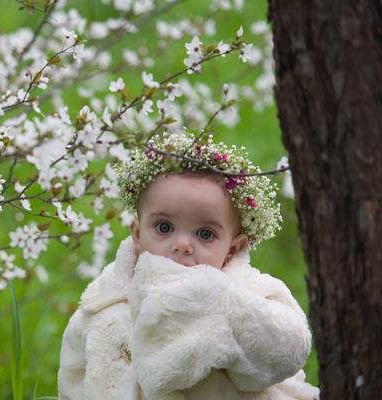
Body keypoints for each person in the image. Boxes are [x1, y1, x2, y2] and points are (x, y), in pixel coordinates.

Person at [57, 131, 320, 400]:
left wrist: (218, 303)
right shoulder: (104, 304)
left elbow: (288, 350)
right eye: (164, 227)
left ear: (233, 248)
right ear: (137, 234)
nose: (182, 244)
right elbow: (74, 379)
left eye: (205, 234)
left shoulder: (251, 293)